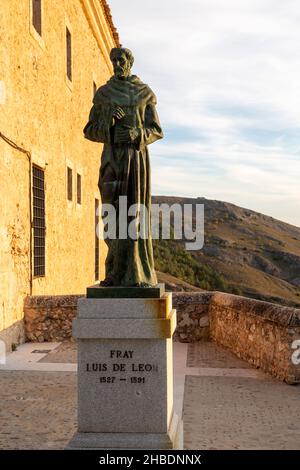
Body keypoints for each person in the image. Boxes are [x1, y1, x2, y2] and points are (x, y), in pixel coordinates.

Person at [84, 47, 163, 287]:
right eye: (114, 60)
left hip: (136, 160)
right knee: (112, 217)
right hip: (111, 160)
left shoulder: (144, 93)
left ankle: (137, 273)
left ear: (130, 62)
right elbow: (89, 131)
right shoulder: (104, 94)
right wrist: (108, 122)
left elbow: (157, 130)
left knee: (135, 216)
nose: (117, 64)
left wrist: (136, 133)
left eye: (121, 60)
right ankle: (115, 274)